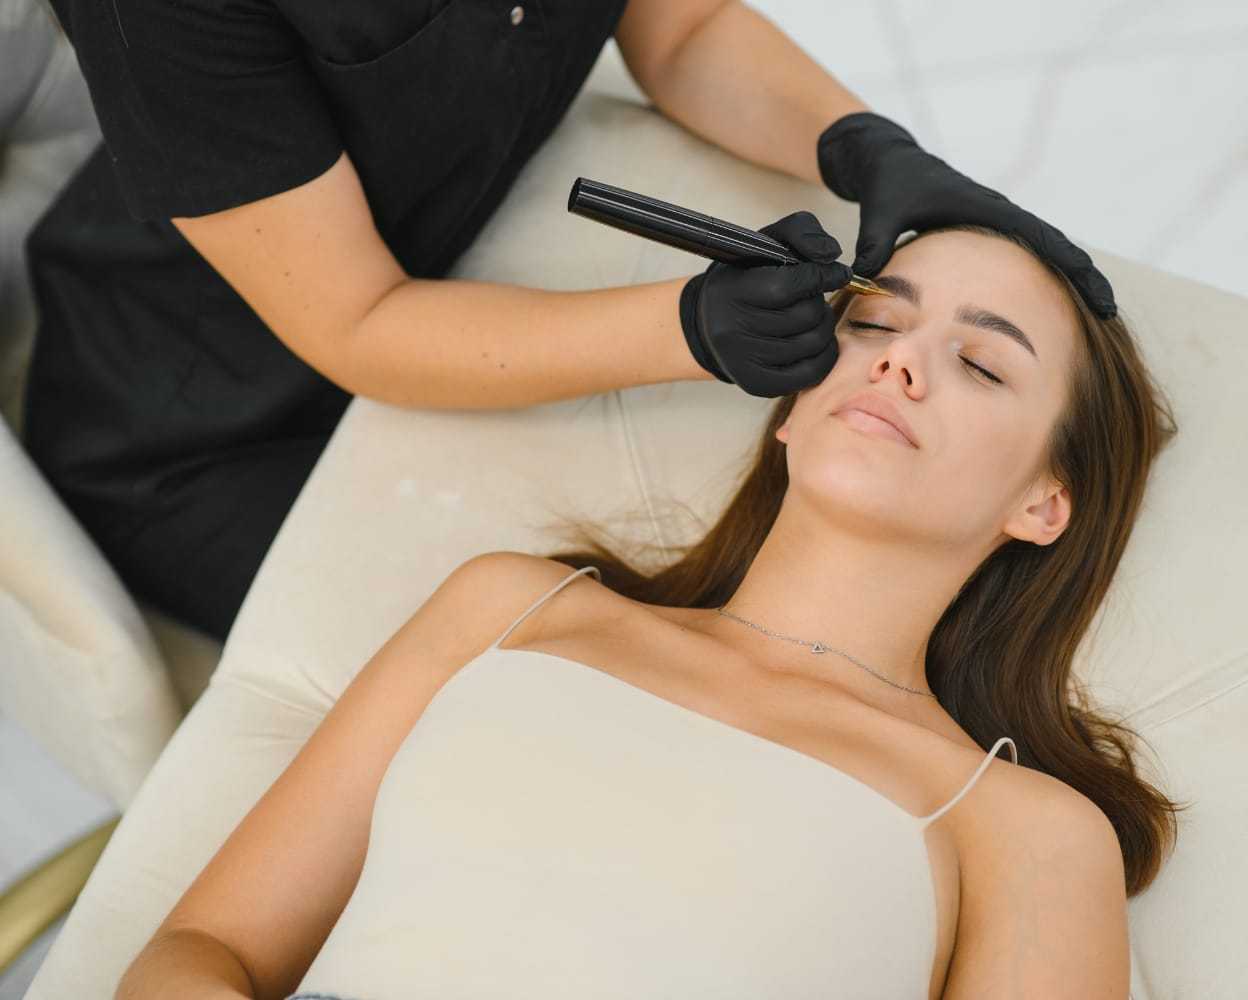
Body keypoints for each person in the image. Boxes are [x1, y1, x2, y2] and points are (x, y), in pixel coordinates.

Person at [116, 226, 1173, 999]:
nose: (901, 358)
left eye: (980, 362)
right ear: (790, 397)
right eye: (874, 321)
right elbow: (202, 954)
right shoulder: (517, 608)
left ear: (1044, 503)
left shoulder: (1025, 834)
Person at [20, 0, 1115, 645]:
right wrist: (686, 328)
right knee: (575, 671)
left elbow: (682, 26)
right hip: (193, 434)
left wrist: (859, 144)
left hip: (469, 282)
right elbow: (359, 319)